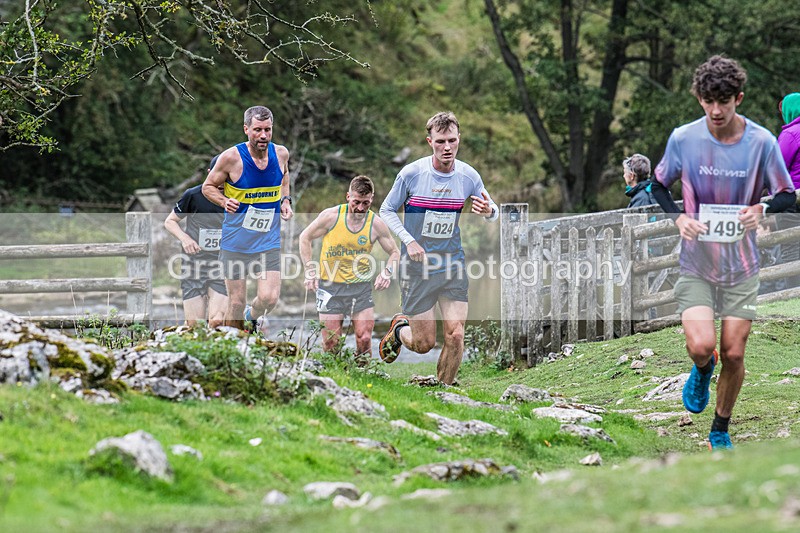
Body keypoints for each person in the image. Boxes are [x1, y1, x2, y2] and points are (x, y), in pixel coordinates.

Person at [649, 55, 796, 450]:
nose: (716, 110)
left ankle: (720, 429)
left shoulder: (762, 141)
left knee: (734, 351)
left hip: (742, 265)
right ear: (699, 98)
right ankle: (702, 367)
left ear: (739, 98)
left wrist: (761, 209)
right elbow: (658, 185)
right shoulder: (683, 139)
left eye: (725, 101)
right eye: (709, 101)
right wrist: (678, 219)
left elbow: (785, 194)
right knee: (701, 345)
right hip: (696, 262)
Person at [378, 111, 498, 385]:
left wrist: (489, 211)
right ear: (429, 140)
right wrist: (409, 241)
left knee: (456, 333)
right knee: (424, 343)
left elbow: (494, 210)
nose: (447, 148)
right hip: (417, 266)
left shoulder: (468, 175)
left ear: (459, 139)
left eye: (452, 141)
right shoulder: (412, 174)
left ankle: (444, 392)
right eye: (441, 141)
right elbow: (386, 209)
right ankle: (399, 331)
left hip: (452, 262)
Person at [202, 106, 293, 331]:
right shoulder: (231, 158)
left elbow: (285, 176)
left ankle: (250, 318)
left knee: (269, 299)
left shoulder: (281, 153)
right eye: (257, 130)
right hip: (236, 242)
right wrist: (224, 202)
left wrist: (285, 200)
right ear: (246, 129)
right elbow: (208, 187)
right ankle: (231, 344)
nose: (263, 136)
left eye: (268, 130)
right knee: (235, 301)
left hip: (267, 241)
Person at [298, 175, 400, 361]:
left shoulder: (375, 224)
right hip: (329, 287)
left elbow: (395, 252)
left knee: (364, 338)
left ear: (372, 199)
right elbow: (305, 238)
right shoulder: (331, 217)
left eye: (366, 203)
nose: (361, 208)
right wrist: (310, 271)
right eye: (357, 202)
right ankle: (337, 380)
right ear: (348, 197)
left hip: (360, 288)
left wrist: (387, 273)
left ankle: (363, 377)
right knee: (331, 343)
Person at [164, 155, 228, 327]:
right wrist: (185, 239)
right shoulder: (193, 195)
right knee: (195, 326)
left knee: (217, 322)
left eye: (226, 175)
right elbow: (170, 222)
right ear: (209, 173)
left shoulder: (236, 197)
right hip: (194, 264)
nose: (222, 179)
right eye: (218, 174)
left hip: (222, 265)